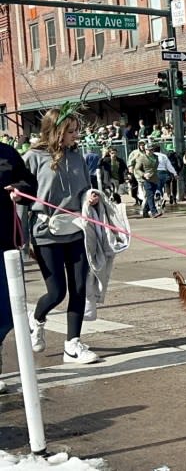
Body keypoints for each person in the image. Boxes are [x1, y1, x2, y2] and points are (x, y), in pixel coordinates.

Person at [23, 106, 101, 364]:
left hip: (76, 229)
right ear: (56, 131)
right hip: (46, 232)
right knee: (57, 292)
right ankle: (37, 319)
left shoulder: (77, 157)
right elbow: (21, 198)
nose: (75, 135)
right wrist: (23, 238)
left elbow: (83, 189)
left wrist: (89, 196)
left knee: (79, 288)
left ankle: (73, 345)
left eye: (77, 130)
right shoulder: (33, 157)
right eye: (70, 131)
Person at [1, 142, 38, 390]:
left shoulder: (6, 153)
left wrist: (18, 189)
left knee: (8, 313)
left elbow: (29, 183)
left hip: (4, 243)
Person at [132, 142, 162, 218]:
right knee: (150, 195)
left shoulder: (156, 157)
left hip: (155, 179)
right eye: (148, 150)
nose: (150, 151)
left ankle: (145, 212)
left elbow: (155, 167)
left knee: (150, 196)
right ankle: (154, 212)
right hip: (147, 179)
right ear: (145, 150)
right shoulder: (141, 158)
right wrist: (144, 174)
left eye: (152, 150)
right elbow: (137, 169)